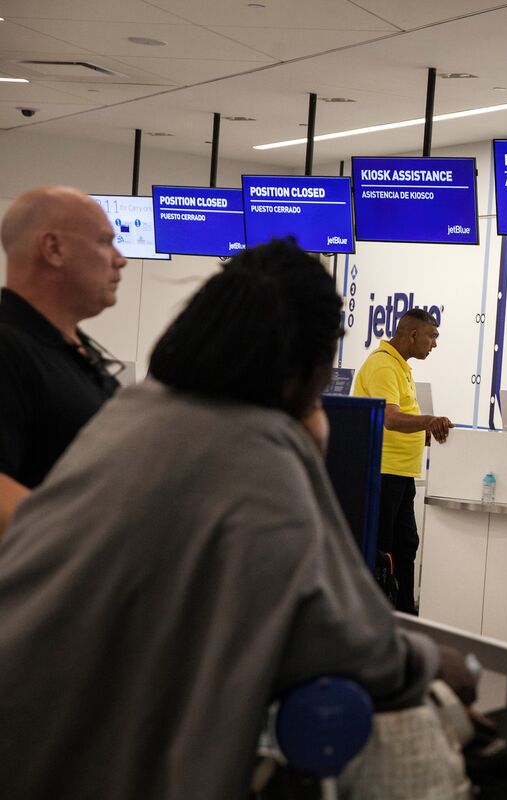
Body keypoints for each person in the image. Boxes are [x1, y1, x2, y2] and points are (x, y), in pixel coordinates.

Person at [0, 239, 471, 799]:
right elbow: (348, 641)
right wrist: (433, 663)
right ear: (309, 364)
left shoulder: (131, 413)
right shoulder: (255, 449)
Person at [0, 186, 126, 538]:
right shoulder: (8, 349)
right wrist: (93, 547)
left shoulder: (77, 352)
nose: (120, 258)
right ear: (53, 249)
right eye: (104, 242)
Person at [353, 308, 453, 614]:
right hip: (383, 474)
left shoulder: (399, 367)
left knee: (405, 546)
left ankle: (404, 616)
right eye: (432, 336)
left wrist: (420, 433)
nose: (434, 344)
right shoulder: (383, 365)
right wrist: (430, 421)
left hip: (399, 475)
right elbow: (391, 418)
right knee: (384, 552)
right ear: (412, 335)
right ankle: (380, 616)